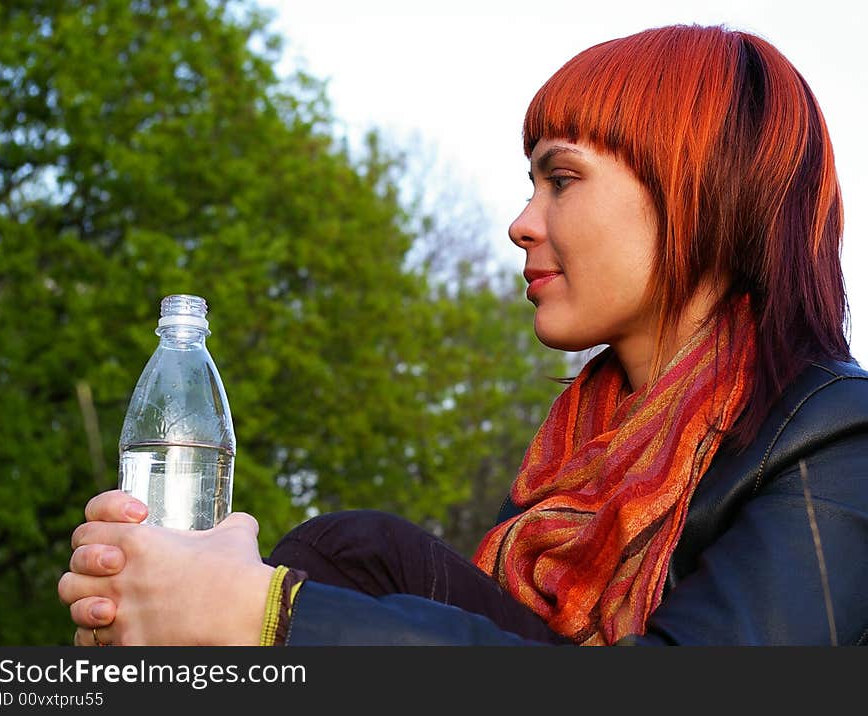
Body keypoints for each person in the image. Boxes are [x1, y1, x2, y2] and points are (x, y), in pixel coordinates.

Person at [58, 23, 868, 646]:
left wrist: (272, 616)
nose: (521, 224)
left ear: (700, 192)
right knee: (357, 551)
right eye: (530, 186)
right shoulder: (577, 465)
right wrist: (165, 607)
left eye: (561, 179)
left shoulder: (839, 438)